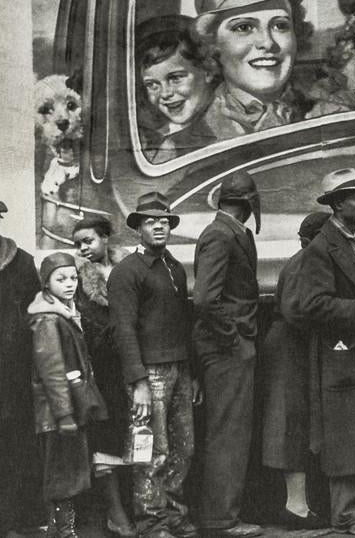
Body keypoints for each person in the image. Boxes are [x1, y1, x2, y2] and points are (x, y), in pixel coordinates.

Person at [290, 169, 355, 536]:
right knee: (347, 436)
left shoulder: (352, 239)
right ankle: (350, 516)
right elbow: (313, 305)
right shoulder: (323, 247)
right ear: (337, 204)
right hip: (340, 353)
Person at [108, 193, 195, 538]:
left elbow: (184, 322)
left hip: (180, 369)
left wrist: (193, 374)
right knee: (152, 450)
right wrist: (139, 381)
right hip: (150, 374)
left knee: (183, 448)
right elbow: (123, 329)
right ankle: (151, 522)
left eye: (164, 221)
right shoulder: (127, 272)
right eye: (150, 221)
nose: (159, 226)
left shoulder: (173, 267)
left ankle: (174, 515)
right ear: (138, 229)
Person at [192, 173, 264, 538]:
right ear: (247, 202)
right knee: (227, 433)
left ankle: (223, 515)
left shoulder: (231, 232)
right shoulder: (220, 235)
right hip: (226, 350)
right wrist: (234, 339)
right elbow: (205, 299)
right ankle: (220, 519)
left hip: (231, 347)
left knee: (231, 432)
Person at [29, 252, 108, 538]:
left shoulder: (65, 313)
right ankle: (63, 531)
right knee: (63, 475)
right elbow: (51, 372)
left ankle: (61, 530)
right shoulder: (48, 320)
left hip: (69, 410)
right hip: (57, 413)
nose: (70, 284)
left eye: (73, 277)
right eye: (60, 279)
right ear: (46, 284)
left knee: (69, 473)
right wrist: (63, 413)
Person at [260, 211, 331, 529]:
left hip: (288, 344)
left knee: (292, 423)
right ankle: (295, 506)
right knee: (291, 423)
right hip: (290, 347)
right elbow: (295, 309)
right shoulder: (306, 261)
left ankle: (298, 504)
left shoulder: (299, 259)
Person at [193, 0, 310, 139]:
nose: (267, 42)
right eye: (244, 27)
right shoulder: (185, 142)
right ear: (212, 44)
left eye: (280, 25)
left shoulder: (333, 114)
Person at [71, 217, 135, 537]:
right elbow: (89, 328)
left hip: (135, 366)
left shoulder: (129, 270)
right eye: (78, 243)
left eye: (89, 240)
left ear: (106, 238)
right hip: (104, 370)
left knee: (137, 437)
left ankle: (137, 508)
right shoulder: (80, 282)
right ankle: (115, 512)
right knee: (107, 438)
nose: (83, 248)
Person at [0, 197, 44, 538]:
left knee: (12, 450)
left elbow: (35, 313)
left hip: (11, 378)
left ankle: (10, 523)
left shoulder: (21, 263)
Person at [136, 17, 216, 163]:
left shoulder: (225, 128)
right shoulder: (154, 137)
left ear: (207, 71)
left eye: (176, 78)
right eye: (152, 85)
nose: (165, 93)